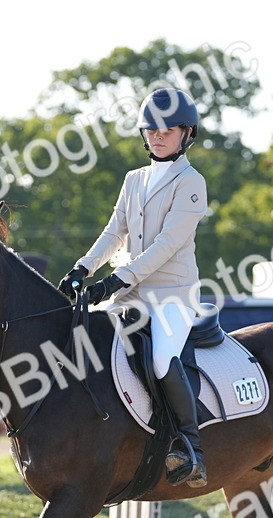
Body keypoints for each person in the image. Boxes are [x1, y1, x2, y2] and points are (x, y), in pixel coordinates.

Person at [58, 87, 209, 488]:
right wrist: (83, 268)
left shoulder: (191, 182)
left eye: (167, 129)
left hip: (172, 295)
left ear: (186, 133)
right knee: (86, 340)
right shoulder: (134, 179)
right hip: (130, 293)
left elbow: (167, 244)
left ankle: (191, 447)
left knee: (161, 359)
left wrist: (117, 279)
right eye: (151, 129)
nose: (158, 135)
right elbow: (115, 232)